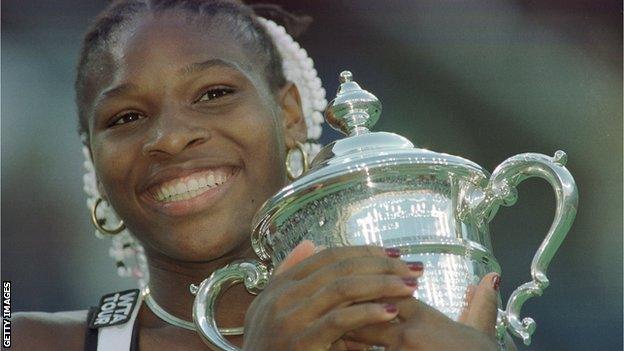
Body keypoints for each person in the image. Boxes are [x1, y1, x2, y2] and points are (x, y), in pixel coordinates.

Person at [13, 1, 515, 350]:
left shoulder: (421, 319)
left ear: (289, 114)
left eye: (214, 94)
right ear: (96, 169)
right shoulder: (20, 338)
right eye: (125, 118)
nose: (168, 137)